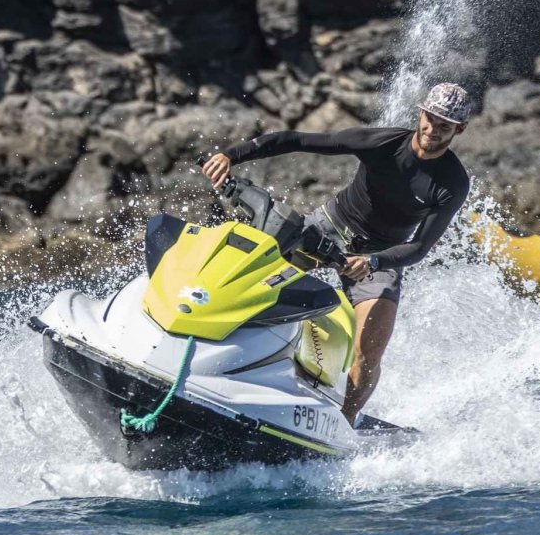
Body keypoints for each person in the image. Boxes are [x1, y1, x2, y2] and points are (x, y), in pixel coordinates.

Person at [201, 83, 473, 425]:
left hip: (379, 257)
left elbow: (419, 247)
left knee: (369, 350)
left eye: (445, 126)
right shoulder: (382, 144)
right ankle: (213, 353)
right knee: (252, 277)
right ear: (421, 113)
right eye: (430, 119)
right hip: (328, 226)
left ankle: (344, 423)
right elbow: (298, 140)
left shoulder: (452, 183)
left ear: (459, 129)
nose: (432, 130)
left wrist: (373, 262)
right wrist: (231, 155)